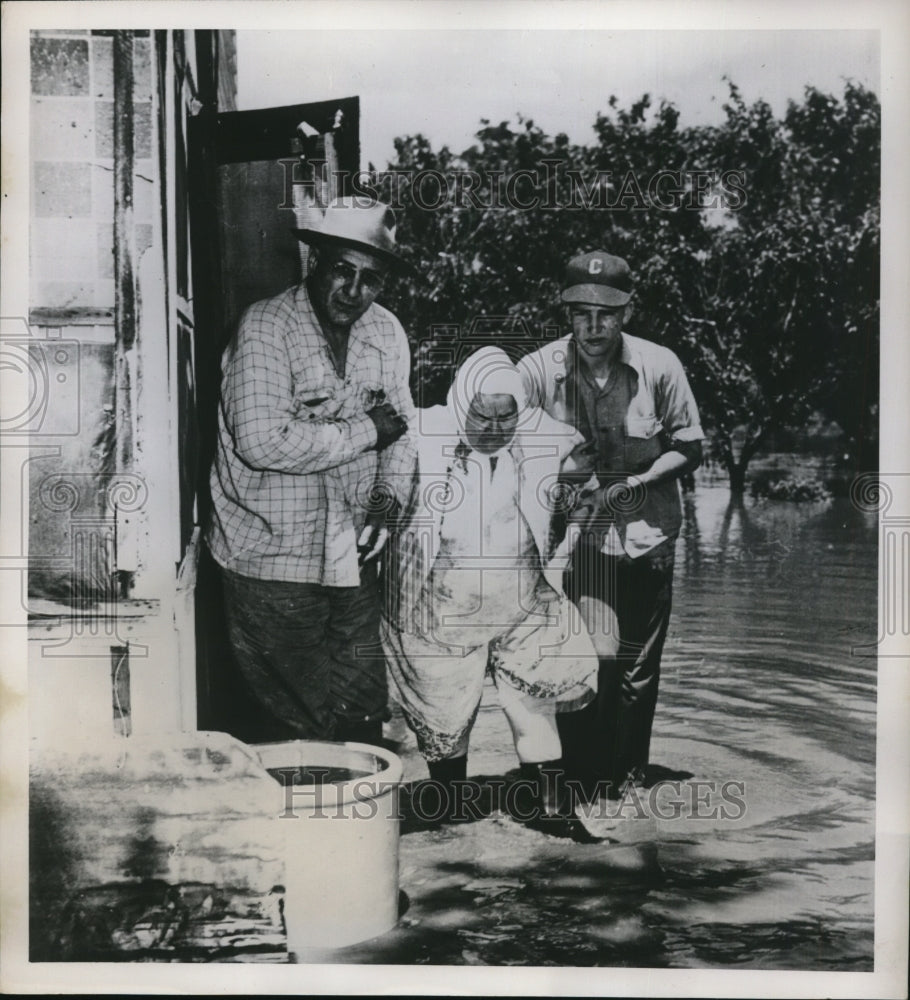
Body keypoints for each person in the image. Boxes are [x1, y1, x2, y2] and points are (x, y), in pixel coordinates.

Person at [206, 197, 416, 745]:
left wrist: (388, 498)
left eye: (371, 279)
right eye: (342, 271)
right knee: (296, 725)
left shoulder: (388, 333)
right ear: (315, 262)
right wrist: (367, 431)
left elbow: (403, 428)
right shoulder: (265, 326)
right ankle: (310, 827)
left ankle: (358, 824)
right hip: (270, 561)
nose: (353, 291)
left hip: (352, 557)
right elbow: (263, 443)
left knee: (363, 712)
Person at [519, 250, 704, 819]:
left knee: (636, 671)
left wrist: (638, 483)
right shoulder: (536, 371)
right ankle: (578, 778)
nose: (594, 327)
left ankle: (624, 783)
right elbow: (501, 436)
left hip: (648, 536)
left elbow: (690, 446)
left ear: (626, 312)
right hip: (582, 545)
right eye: (581, 313)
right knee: (589, 659)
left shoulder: (661, 365)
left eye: (607, 314)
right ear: (566, 312)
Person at [381, 347, 598, 823]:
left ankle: (553, 815)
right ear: (461, 402)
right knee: (445, 718)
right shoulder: (421, 434)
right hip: (438, 601)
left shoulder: (545, 440)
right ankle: (451, 813)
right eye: (482, 414)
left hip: (520, 598)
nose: (494, 428)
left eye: (506, 416)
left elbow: (587, 485)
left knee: (534, 705)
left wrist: (563, 548)